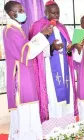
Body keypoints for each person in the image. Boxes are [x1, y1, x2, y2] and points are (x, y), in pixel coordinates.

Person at [3, 1, 52, 139]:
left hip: (25, 74)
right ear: (13, 14)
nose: (24, 12)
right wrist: (42, 35)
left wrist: (41, 36)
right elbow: (26, 52)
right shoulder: (11, 31)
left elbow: (26, 47)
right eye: (20, 10)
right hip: (21, 78)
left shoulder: (15, 28)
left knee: (28, 112)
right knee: (26, 112)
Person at [29, 0, 78, 134]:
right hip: (49, 71)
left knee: (67, 98)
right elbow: (34, 52)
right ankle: (52, 132)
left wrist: (69, 48)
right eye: (53, 13)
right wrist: (52, 47)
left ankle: (67, 130)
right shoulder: (38, 26)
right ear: (45, 12)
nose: (56, 15)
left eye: (58, 13)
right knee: (53, 98)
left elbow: (68, 52)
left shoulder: (62, 27)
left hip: (65, 70)